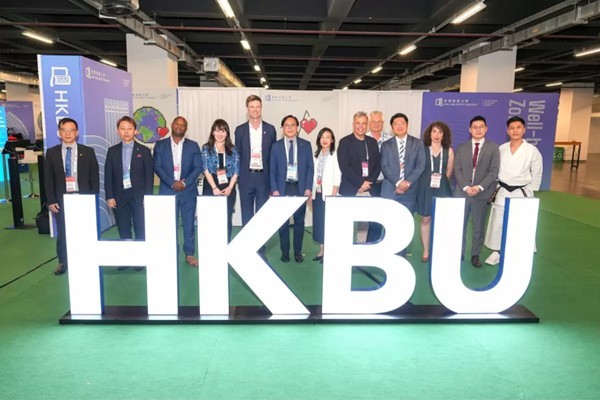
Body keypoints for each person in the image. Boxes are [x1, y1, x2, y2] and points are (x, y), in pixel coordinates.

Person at [484, 116, 543, 265]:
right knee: (498, 222)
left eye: (518, 127)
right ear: (507, 131)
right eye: (512, 128)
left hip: (522, 191)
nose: (515, 131)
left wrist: (531, 189)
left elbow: (537, 172)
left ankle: (521, 251)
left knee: (521, 223)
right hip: (503, 189)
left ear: (524, 130)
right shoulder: (502, 148)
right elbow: (495, 169)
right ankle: (497, 251)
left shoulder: (532, 150)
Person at [44, 117, 99, 275]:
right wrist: (51, 200)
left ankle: (86, 260)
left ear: (77, 132)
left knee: (85, 231)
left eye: (71, 130)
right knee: (63, 232)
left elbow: (94, 177)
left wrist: (93, 199)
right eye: (64, 130)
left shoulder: (88, 152)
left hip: (83, 198)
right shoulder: (52, 152)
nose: (68, 134)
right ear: (59, 133)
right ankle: (63, 261)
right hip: (61, 199)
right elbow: (48, 179)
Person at [153, 116, 203, 267]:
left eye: (183, 125)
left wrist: (184, 183)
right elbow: (157, 166)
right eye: (177, 124)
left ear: (186, 129)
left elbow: (198, 167)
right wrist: (172, 182)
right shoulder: (160, 145)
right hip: (167, 189)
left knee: (189, 224)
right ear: (172, 125)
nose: (179, 127)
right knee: (168, 224)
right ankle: (171, 252)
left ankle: (190, 254)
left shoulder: (193, 146)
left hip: (188, 191)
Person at [453, 115, 500, 268]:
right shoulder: (461, 147)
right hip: (462, 192)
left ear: (486, 129)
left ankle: (475, 255)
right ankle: (459, 252)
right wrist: (466, 187)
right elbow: (457, 169)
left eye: (481, 127)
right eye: (475, 127)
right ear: (470, 129)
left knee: (479, 226)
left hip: (482, 193)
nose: (478, 129)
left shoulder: (493, 148)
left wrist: (479, 187)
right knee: (459, 224)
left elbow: (493, 171)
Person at [270, 115, 314, 263]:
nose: (290, 128)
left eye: (293, 125)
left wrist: (308, 188)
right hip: (282, 188)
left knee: (299, 222)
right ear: (282, 128)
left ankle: (297, 252)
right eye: (287, 125)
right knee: (283, 222)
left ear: (297, 127)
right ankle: (285, 252)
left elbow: (310, 168)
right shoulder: (276, 146)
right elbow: (272, 169)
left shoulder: (306, 145)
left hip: (299, 188)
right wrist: (274, 189)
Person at [105, 116, 154, 243]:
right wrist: (109, 196)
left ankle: (141, 253)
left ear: (135, 131)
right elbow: (108, 175)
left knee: (141, 229)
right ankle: (127, 254)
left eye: (129, 128)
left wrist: (148, 197)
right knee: (123, 230)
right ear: (118, 131)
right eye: (122, 129)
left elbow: (149, 176)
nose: (126, 132)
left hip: (139, 197)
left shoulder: (144, 151)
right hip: (119, 197)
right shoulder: (112, 151)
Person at [337, 111, 381, 244]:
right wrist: (360, 183)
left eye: (363, 123)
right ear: (353, 124)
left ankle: (360, 247)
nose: (361, 126)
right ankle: (345, 247)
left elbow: (378, 165)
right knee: (347, 221)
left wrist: (368, 182)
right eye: (358, 123)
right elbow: (344, 166)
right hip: (350, 188)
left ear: (367, 125)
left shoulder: (372, 142)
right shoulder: (345, 142)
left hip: (369, 188)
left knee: (364, 221)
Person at [234, 95, 277, 228]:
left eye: (258, 106)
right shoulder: (240, 130)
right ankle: (248, 241)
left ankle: (261, 242)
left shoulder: (270, 129)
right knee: (246, 214)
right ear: (247, 109)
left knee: (262, 215)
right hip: (246, 177)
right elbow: (237, 156)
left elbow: (273, 157)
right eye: (252, 107)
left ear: (261, 108)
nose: (255, 110)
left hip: (263, 178)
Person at [416, 121, 454, 263]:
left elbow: (449, 172)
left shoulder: (449, 151)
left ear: (444, 135)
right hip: (425, 188)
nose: (437, 135)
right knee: (425, 219)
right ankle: (426, 250)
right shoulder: (422, 149)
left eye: (440, 132)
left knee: (441, 220)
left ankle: (439, 248)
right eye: (434, 131)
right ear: (429, 133)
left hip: (442, 188)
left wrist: (439, 182)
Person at [201, 119, 240, 242]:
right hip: (211, 185)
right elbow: (205, 169)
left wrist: (230, 187)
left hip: (228, 186)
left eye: (223, 131)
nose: (220, 134)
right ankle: (212, 245)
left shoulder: (233, 150)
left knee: (226, 218)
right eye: (217, 131)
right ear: (213, 132)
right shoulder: (206, 148)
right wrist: (214, 188)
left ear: (227, 133)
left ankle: (225, 245)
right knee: (211, 218)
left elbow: (236, 170)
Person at [380, 112, 425, 214]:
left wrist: (407, 183)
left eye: (402, 123)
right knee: (388, 219)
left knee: (407, 220)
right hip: (390, 189)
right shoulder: (386, 145)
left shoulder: (418, 143)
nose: (399, 126)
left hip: (410, 190)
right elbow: (384, 166)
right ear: (392, 127)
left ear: (407, 125)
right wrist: (398, 183)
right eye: (396, 124)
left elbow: (420, 165)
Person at [309, 127, 341, 262]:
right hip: (317, 194)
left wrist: (333, 195)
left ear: (332, 140)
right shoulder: (316, 155)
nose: (325, 140)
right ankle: (322, 250)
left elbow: (337, 176)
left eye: (328, 137)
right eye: (322, 137)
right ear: (319, 139)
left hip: (329, 195)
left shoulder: (335, 155)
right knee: (318, 223)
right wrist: (310, 195)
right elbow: (312, 176)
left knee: (328, 224)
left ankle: (329, 252)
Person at [365, 110, 392, 243]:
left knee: (383, 215)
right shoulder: (363, 138)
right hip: (367, 183)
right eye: (373, 121)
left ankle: (378, 243)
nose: (376, 124)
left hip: (386, 183)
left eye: (379, 121)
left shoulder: (390, 140)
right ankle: (364, 245)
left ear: (383, 123)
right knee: (366, 216)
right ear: (369, 123)